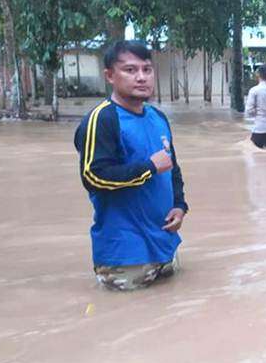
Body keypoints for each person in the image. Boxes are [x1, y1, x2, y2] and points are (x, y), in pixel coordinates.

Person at [73, 40, 188, 291]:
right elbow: (94, 177)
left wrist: (180, 206)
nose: (141, 77)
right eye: (130, 70)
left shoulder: (157, 117)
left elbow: (172, 168)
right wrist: (148, 167)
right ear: (110, 76)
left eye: (147, 69)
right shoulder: (102, 118)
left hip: (165, 245)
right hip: (125, 255)